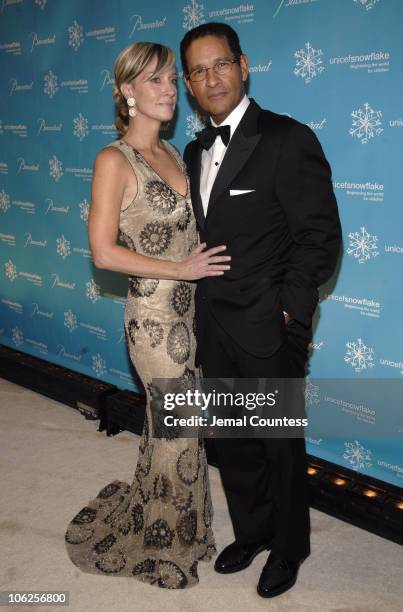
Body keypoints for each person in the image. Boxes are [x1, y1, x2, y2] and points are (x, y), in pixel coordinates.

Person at [180, 23, 342, 598]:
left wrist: (288, 314)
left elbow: (319, 238)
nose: (210, 78)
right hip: (213, 323)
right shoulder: (193, 150)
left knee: (278, 444)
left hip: (268, 325)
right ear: (190, 86)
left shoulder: (286, 138)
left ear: (243, 66)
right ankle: (251, 533)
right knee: (232, 442)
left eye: (219, 64)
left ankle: (290, 546)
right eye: (198, 72)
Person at [64, 41, 231, 589]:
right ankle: (166, 550)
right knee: (179, 432)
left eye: (169, 80)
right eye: (153, 80)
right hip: (155, 322)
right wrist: (179, 270)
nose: (168, 90)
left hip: (192, 315)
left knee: (179, 431)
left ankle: (185, 530)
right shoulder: (114, 160)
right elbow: (103, 252)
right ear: (127, 93)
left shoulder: (178, 153)